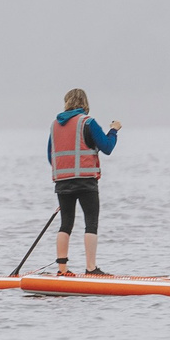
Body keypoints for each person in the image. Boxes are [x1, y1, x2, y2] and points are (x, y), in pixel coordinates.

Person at [47, 88, 120, 276]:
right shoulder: (87, 122)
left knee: (66, 224)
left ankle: (62, 270)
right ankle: (91, 268)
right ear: (85, 104)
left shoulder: (55, 125)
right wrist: (114, 130)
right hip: (86, 181)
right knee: (91, 222)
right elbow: (107, 147)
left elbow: (51, 156)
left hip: (62, 182)